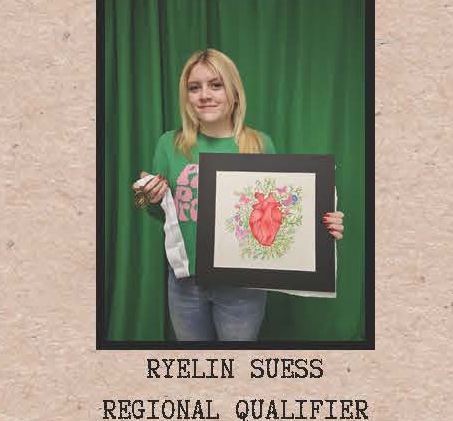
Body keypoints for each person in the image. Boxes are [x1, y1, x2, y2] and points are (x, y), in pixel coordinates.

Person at [132, 48, 346, 345]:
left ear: (234, 92)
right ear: (187, 97)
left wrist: (322, 223)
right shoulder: (170, 144)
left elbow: (278, 212)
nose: (204, 94)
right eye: (195, 88)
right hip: (185, 283)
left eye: (216, 85)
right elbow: (161, 216)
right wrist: (151, 199)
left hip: (242, 286)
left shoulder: (259, 144)